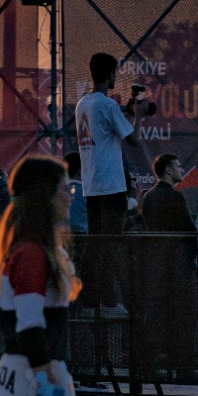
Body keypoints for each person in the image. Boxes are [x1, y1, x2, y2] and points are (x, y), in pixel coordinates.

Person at [0, 155, 79, 396]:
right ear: (45, 195)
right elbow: (30, 327)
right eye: (64, 189)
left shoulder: (36, 251)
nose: (70, 195)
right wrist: (46, 387)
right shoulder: (31, 254)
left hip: (29, 374)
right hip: (30, 376)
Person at [75, 52, 135, 314]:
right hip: (112, 187)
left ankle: (90, 298)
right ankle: (109, 299)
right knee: (110, 243)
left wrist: (128, 111)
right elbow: (132, 138)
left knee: (96, 243)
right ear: (110, 74)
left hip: (92, 185)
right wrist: (140, 115)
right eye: (115, 73)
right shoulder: (107, 105)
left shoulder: (82, 104)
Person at [140, 153, 195, 232]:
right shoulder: (175, 196)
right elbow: (190, 229)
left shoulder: (147, 196)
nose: (182, 170)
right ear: (168, 170)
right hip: (174, 243)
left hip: (153, 243)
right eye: (178, 167)